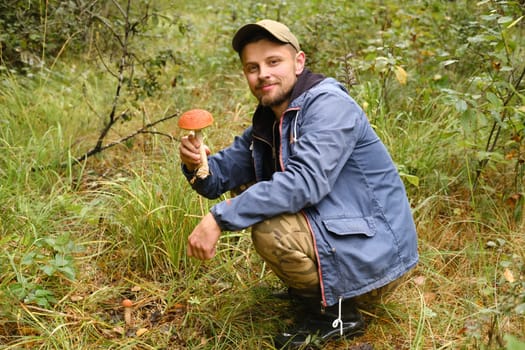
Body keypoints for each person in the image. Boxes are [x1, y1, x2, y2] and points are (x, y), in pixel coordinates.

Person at [179, 19, 418, 349]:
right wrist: (196, 164)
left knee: (268, 224)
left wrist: (218, 218)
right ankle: (318, 291)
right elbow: (221, 176)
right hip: (346, 239)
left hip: (378, 256)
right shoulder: (271, 118)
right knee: (250, 194)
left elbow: (304, 183)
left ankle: (337, 316)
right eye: (253, 67)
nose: (263, 74)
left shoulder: (328, 106)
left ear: (299, 62)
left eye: (273, 62)